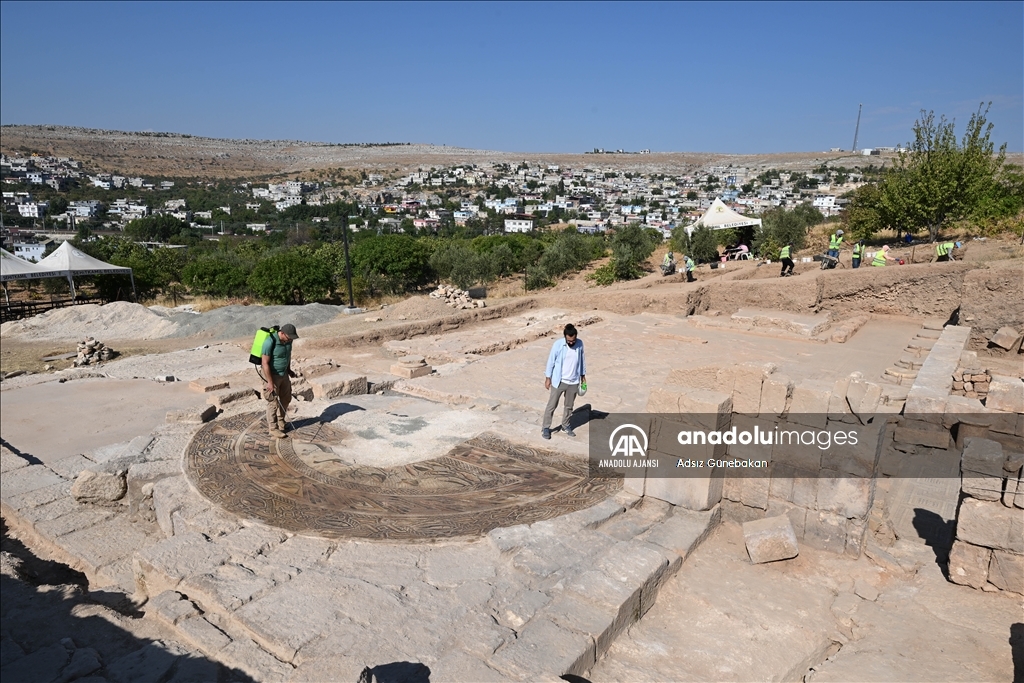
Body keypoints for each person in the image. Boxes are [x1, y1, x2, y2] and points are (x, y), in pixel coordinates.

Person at [542, 324, 586, 439]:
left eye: (573, 340)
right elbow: (551, 361)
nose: (571, 343)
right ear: (565, 337)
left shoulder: (580, 344)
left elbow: (582, 360)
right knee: (551, 405)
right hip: (559, 381)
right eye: (569, 341)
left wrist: (583, 376)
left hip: (573, 381)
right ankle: (546, 428)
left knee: (569, 406)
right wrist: (548, 378)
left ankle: (565, 425)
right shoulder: (558, 345)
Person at [262, 323, 298, 438]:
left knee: (286, 398)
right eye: (289, 337)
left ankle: (281, 420)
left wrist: (289, 370)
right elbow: (265, 363)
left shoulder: (289, 341)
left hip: (283, 374)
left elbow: (287, 356)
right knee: (273, 402)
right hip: (271, 375)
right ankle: (273, 428)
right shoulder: (269, 341)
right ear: (282, 333)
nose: (290, 340)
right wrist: (270, 382)